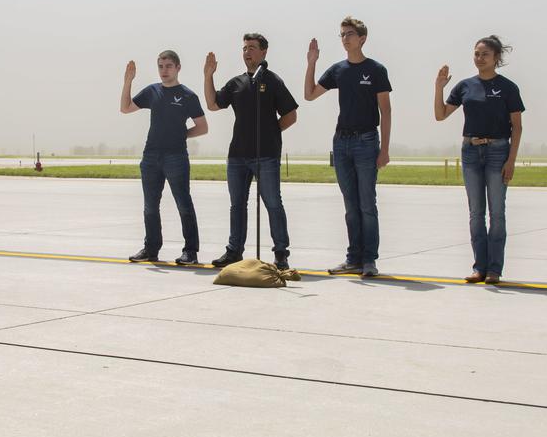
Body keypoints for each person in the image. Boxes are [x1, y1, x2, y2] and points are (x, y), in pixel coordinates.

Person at [304, 16, 392, 277]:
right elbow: (309, 94)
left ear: (362, 38)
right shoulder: (337, 70)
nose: (345, 38)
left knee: (367, 203)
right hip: (341, 142)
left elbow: (385, 111)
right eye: (342, 34)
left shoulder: (376, 70)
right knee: (350, 205)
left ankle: (369, 260)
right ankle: (353, 258)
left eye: (350, 34)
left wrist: (384, 149)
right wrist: (311, 63)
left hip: (366, 141)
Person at [434, 36, 524, 284]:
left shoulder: (507, 87)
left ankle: (494, 269)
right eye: (476, 53)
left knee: (497, 212)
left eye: (484, 54)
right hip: (471, 151)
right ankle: (479, 268)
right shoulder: (465, 86)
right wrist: (439, 87)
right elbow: (440, 115)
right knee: (476, 213)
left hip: (498, 152)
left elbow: (517, 127)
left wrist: (511, 160)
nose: (479, 58)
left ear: (496, 58)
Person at [203, 34, 298, 269]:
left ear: (264, 52)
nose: (247, 52)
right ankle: (234, 251)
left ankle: (281, 254)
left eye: (252, 48)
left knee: (272, 202)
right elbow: (213, 104)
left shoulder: (273, 81)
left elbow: (290, 115)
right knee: (237, 205)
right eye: (244, 48)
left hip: (266, 154)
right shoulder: (236, 83)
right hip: (237, 156)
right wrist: (208, 76)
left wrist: (271, 131)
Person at [121, 51, 208, 265]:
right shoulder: (152, 91)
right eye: (160, 66)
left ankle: (190, 252)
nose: (164, 70)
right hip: (150, 156)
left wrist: (181, 134)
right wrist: (128, 81)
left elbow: (202, 127)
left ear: (178, 67)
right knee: (150, 206)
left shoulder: (188, 96)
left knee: (183, 204)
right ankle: (151, 249)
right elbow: (125, 108)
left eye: (168, 66)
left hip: (176, 156)